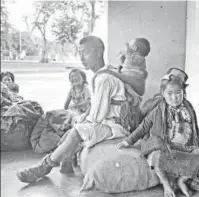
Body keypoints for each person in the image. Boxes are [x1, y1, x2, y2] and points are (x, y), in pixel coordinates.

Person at [16, 36, 135, 183]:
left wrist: (80, 121)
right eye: (79, 53)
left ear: (98, 52)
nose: (81, 58)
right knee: (74, 127)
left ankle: (44, 167)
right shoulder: (105, 72)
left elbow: (97, 116)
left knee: (76, 131)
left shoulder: (104, 78)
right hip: (108, 121)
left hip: (115, 126)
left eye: (85, 52)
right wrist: (81, 118)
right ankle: (66, 159)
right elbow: (95, 108)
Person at [118, 74, 199, 197]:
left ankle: (182, 180)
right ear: (163, 93)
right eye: (170, 93)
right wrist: (128, 141)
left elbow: (195, 128)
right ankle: (166, 183)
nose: (175, 97)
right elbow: (144, 126)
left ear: (183, 92)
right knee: (156, 155)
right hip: (165, 147)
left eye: (178, 92)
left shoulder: (188, 107)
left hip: (185, 147)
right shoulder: (159, 110)